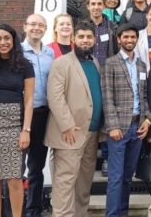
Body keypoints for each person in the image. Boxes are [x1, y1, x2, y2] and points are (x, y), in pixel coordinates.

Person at [45, 21, 104, 217]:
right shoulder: (61, 63)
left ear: (94, 39)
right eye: (81, 37)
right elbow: (55, 97)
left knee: (84, 183)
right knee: (65, 184)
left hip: (92, 132)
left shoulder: (95, 62)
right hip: (70, 133)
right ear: (73, 39)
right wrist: (67, 125)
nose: (85, 40)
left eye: (89, 37)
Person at [0, 24, 35, 217]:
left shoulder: (24, 64)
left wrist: (26, 130)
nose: (2, 42)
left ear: (14, 40)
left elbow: (29, 100)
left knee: (14, 177)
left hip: (15, 122)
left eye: (7, 38)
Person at [102, 23, 151, 217]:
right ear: (119, 39)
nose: (130, 40)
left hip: (137, 128)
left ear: (137, 39)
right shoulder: (110, 63)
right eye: (126, 37)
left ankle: (122, 213)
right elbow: (107, 97)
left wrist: (146, 120)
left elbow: (144, 96)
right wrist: (112, 126)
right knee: (116, 177)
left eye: (133, 37)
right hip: (118, 129)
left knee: (128, 177)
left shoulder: (141, 65)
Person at [21, 14, 54, 217]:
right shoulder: (17, 53)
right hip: (19, 115)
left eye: (41, 25)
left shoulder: (50, 53)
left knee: (36, 166)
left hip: (42, 114)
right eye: (32, 24)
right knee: (14, 166)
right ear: (25, 27)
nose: (36, 28)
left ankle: (33, 210)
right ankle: (12, 208)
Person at [88, 0, 119, 66]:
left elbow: (117, 49)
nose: (96, 7)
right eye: (93, 4)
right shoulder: (83, 26)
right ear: (88, 6)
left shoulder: (112, 26)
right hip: (88, 68)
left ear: (104, 6)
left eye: (99, 4)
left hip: (107, 69)